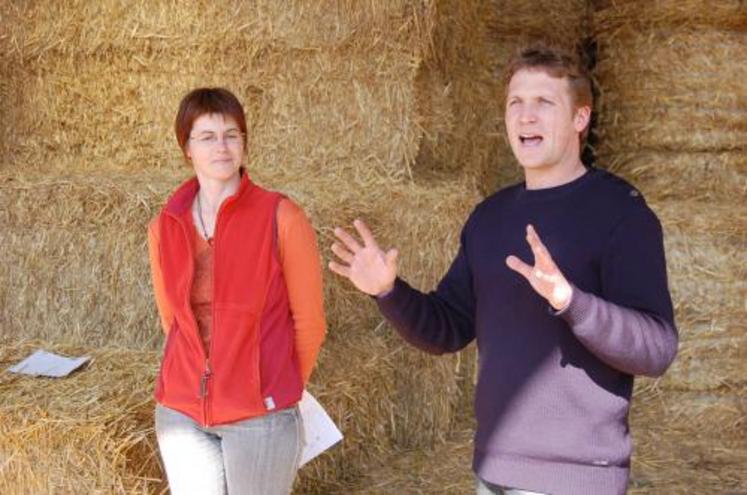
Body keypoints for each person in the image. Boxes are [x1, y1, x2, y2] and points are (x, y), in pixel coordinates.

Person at [329, 44, 678, 495]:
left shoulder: (621, 214)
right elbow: (447, 329)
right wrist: (388, 291)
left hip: (575, 478)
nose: (525, 116)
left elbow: (657, 349)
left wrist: (571, 302)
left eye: (543, 103)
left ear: (580, 119)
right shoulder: (489, 218)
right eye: (516, 103)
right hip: (494, 473)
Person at [147, 87, 326, 495]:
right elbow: (172, 321)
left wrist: (273, 387)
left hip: (259, 416)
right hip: (181, 412)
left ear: (245, 143)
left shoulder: (282, 217)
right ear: (186, 148)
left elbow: (310, 323)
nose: (222, 147)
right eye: (207, 136)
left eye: (232, 134)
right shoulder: (165, 227)